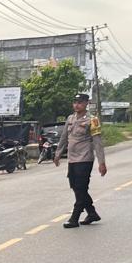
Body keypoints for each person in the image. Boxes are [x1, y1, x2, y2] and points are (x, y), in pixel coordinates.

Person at [53, 93, 107, 228]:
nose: (77, 105)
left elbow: (97, 142)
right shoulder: (70, 118)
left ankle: (74, 217)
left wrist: (101, 162)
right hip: (72, 159)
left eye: (80, 103)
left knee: (81, 187)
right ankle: (92, 213)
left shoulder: (92, 120)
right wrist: (58, 154)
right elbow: (64, 137)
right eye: (75, 102)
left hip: (85, 158)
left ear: (86, 103)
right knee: (75, 187)